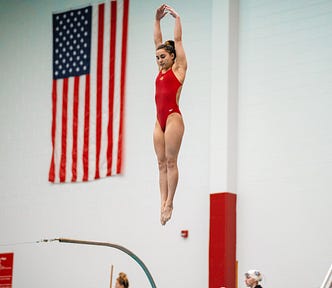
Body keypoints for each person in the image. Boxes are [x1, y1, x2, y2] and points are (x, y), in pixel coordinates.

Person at [153, 4, 187, 225]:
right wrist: (156, 21)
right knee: (161, 164)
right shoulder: (161, 71)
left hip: (174, 118)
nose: (159, 60)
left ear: (173, 57)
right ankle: (162, 202)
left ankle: (170, 203)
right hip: (159, 121)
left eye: (163, 56)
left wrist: (176, 18)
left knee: (171, 162)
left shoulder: (178, 69)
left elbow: (179, 41)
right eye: (157, 57)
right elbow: (157, 41)